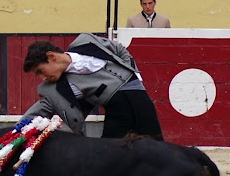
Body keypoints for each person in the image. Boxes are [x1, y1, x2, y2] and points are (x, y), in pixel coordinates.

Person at [21, 33, 163, 140]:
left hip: (141, 101)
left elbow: (118, 48)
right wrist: (16, 130)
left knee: (157, 152)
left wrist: (133, 73)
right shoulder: (54, 89)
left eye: (41, 71)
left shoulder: (85, 41)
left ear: (52, 56)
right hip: (118, 113)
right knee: (111, 158)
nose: (43, 78)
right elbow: (38, 112)